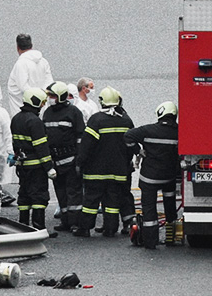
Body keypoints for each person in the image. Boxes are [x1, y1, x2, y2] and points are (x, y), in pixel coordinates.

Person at [76, 87, 134, 237]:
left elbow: (86, 146)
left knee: (90, 201)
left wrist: (79, 163)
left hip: (96, 172)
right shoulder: (126, 120)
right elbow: (131, 145)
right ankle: (110, 229)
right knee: (112, 201)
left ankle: (85, 228)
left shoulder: (96, 120)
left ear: (101, 102)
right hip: (118, 172)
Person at [125, 102, 181, 249]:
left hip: (149, 178)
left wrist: (138, 151)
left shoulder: (148, 130)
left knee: (149, 209)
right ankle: (172, 237)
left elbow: (128, 136)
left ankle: (151, 242)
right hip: (168, 178)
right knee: (170, 205)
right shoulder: (179, 132)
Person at [10, 88, 56, 233]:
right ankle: (39, 227)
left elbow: (14, 143)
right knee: (39, 196)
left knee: (24, 195)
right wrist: (49, 167)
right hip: (36, 167)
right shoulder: (35, 121)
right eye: (41, 103)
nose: (42, 106)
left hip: (22, 166)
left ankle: (22, 226)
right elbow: (41, 147)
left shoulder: (16, 118)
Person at [43, 81, 85, 233]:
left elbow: (81, 137)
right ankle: (65, 221)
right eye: (49, 96)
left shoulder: (73, 112)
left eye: (53, 95)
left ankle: (76, 223)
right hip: (55, 161)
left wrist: (79, 160)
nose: (50, 98)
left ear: (60, 97)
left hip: (71, 159)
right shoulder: (47, 113)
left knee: (73, 193)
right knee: (60, 192)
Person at [6, 34, 53, 116]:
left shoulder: (20, 64)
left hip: (22, 112)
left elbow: (23, 87)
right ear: (31, 45)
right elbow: (49, 83)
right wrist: (41, 95)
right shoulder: (43, 61)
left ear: (17, 47)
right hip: (42, 109)